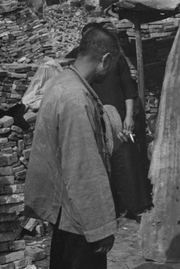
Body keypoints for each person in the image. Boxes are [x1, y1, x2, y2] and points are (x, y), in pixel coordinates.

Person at [24, 27, 120, 269]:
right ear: (106, 60)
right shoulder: (76, 99)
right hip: (78, 217)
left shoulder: (62, 82)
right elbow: (84, 168)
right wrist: (100, 227)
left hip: (65, 211)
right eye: (113, 64)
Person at [67, 22, 151, 218]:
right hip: (96, 119)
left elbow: (129, 90)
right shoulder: (78, 62)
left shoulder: (116, 60)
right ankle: (111, 206)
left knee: (127, 158)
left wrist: (129, 116)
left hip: (120, 119)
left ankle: (137, 206)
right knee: (102, 163)